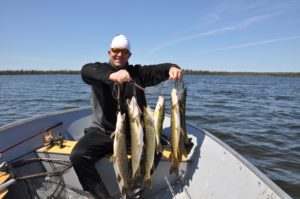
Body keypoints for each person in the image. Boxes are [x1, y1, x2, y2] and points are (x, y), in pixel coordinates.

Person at [70, 34, 183, 199]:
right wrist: (112, 76)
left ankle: (136, 189)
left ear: (129, 55)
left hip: (136, 133)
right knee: (78, 156)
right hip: (104, 131)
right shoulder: (99, 70)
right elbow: (86, 71)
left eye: (124, 51)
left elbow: (158, 69)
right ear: (109, 52)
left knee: (157, 148)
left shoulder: (137, 73)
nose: (119, 54)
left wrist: (172, 67)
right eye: (115, 50)